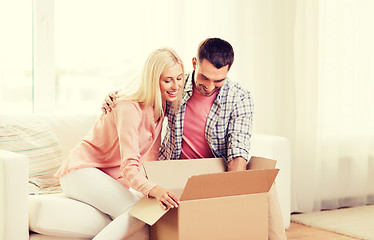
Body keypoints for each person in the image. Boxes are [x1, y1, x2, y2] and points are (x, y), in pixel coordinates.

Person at [102, 38, 287, 240]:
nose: (209, 86)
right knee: (148, 213)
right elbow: (145, 91)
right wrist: (115, 97)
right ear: (194, 63)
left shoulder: (239, 97)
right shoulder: (177, 85)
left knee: (266, 181)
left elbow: (238, 148)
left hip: (216, 170)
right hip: (175, 169)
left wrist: (233, 189)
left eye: (218, 81)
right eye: (204, 77)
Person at [54, 48, 185, 240]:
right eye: (168, 80)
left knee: (145, 222)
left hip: (110, 178)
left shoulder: (161, 105)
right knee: (138, 212)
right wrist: (153, 189)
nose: (176, 86)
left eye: (180, 78)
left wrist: (154, 188)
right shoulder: (129, 106)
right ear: (152, 80)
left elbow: (151, 157)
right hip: (80, 171)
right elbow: (129, 166)